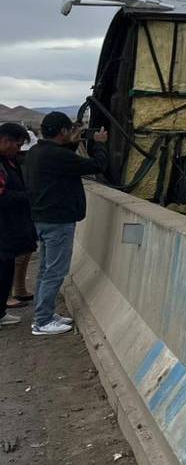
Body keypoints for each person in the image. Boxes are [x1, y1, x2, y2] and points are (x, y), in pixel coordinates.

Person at [23, 112, 108, 336]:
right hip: (58, 222)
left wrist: (72, 145)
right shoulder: (57, 156)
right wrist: (98, 144)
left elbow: (63, 164)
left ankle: (44, 314)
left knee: (45, 269)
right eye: (70, 130)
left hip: (42, 219)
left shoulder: (36, 151)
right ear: (62, 131)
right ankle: (42, 321)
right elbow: (96, 166)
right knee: (55, 271)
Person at [0, 123, 38, 328]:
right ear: (6, 141)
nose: (19, 149)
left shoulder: (9, 161)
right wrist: (27, 196)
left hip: (10, 226)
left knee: (6, 270)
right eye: (17, 144)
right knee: (3, 270)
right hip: (4, 228)